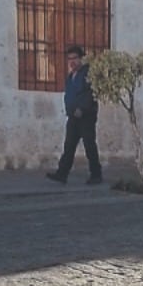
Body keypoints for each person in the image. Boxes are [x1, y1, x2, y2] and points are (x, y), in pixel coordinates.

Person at [46, 45, 103, 185]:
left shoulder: (88, 73)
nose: (72, 61)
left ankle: (96, 174)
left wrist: (82, 109)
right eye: (69, 59)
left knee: (89, 145)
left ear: (81, 59)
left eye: (75, 58)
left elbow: (90, 93)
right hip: (73, 116)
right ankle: (62, 174)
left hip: (86, 116)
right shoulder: (71, 76)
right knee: (69, 145)